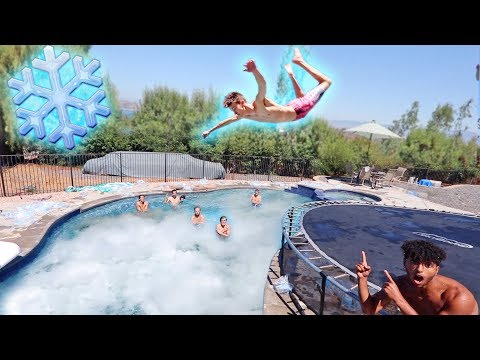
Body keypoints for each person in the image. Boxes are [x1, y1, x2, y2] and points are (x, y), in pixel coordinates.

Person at [202, 47, 332, 138]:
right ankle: (292, 75)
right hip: (292, 109)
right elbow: (226, 122)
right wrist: (210, 130)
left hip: (300, 109)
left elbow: (262, 85)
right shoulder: (244, 115)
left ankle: (300, 61)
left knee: (326, 81)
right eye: (233, 111)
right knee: (300, 97)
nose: (235, 113)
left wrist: (254, 71)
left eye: (235, 109)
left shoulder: (258, 103)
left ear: (242, 102)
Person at [356, 240, 479, 315]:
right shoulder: (401, 285)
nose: (420, 269)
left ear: (437, 269)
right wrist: (362, 279)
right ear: (405, 263)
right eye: (415, 262)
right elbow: (369, 310)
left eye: (427, 265)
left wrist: (399, 299)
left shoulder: (459, 298)